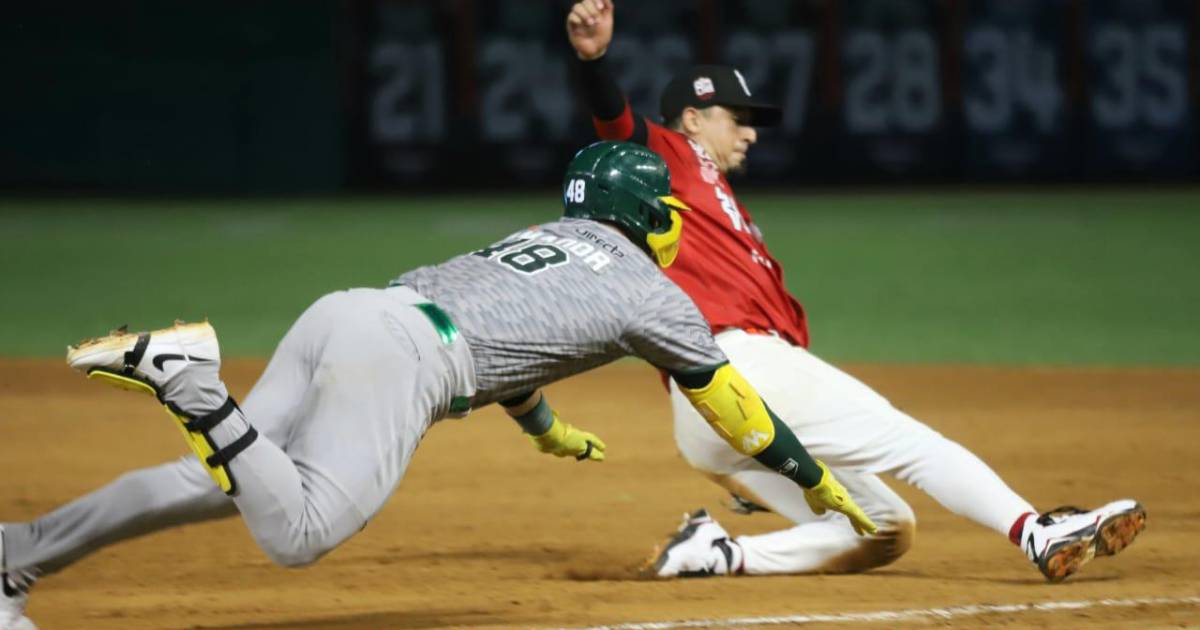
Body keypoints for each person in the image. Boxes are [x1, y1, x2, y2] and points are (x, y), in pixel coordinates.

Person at [0, 142, 875, 630]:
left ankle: (16, 556)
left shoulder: (543, 238)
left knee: (211, 479)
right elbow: (734, 407)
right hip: (406, 362)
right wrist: (814, 481)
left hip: (351, 311)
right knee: (299, 532)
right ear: (647, 214)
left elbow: (516, 345)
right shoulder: (653, 293)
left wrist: (545, 428)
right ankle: (193, 385)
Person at [566, 0, 1145, 582]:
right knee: (912, 445)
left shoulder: (713, 205)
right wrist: (594, 60)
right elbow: (617, 121)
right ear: (692, 120)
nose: (750, 132)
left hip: (705, 416)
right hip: (740, 367)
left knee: (881, 528)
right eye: (736, 118)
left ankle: (713, 553)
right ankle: (1036, 533)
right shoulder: (670, 160)